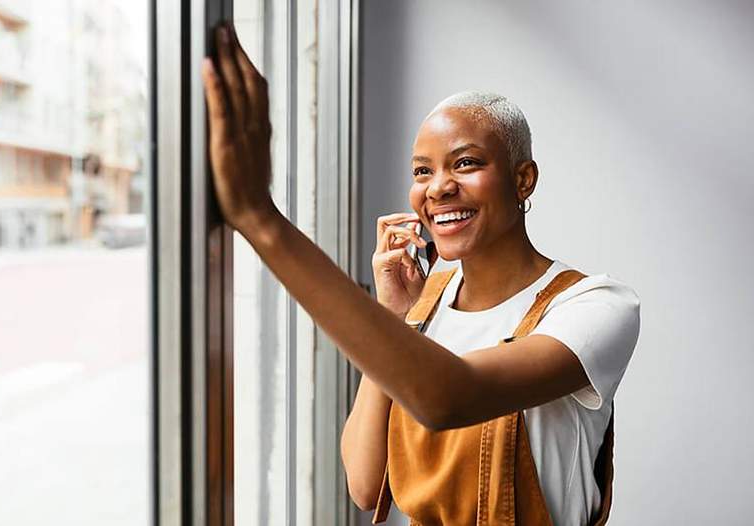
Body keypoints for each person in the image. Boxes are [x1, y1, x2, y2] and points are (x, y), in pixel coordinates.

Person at [202, 21, 640, 526]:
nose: (438, 188)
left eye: (466, 163)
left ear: (523, 179)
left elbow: (448, 397)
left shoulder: (595, 306)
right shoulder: (422, 305)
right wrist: (395, 315)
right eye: (422, 171)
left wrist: (263, 222)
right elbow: (366, 485)